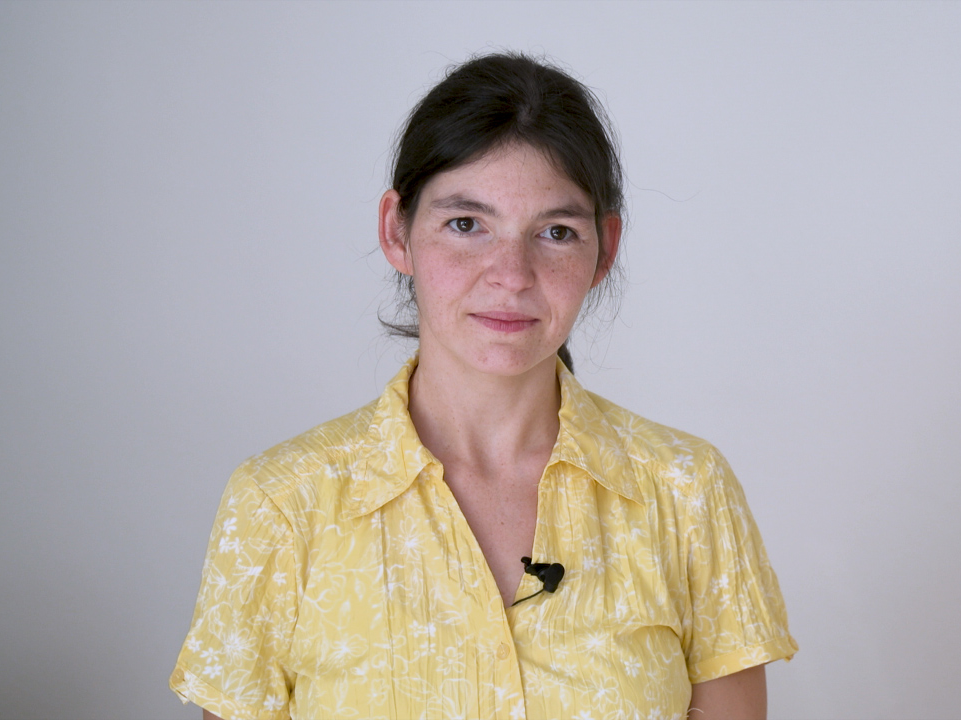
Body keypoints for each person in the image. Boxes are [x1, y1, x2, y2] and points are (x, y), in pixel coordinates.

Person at [170, 52, 796, 720]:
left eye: (556, 232)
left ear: (605, 250)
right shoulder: (281, 503)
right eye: (466, 224)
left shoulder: (687, 492)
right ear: (396, 232)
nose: (511, 274)